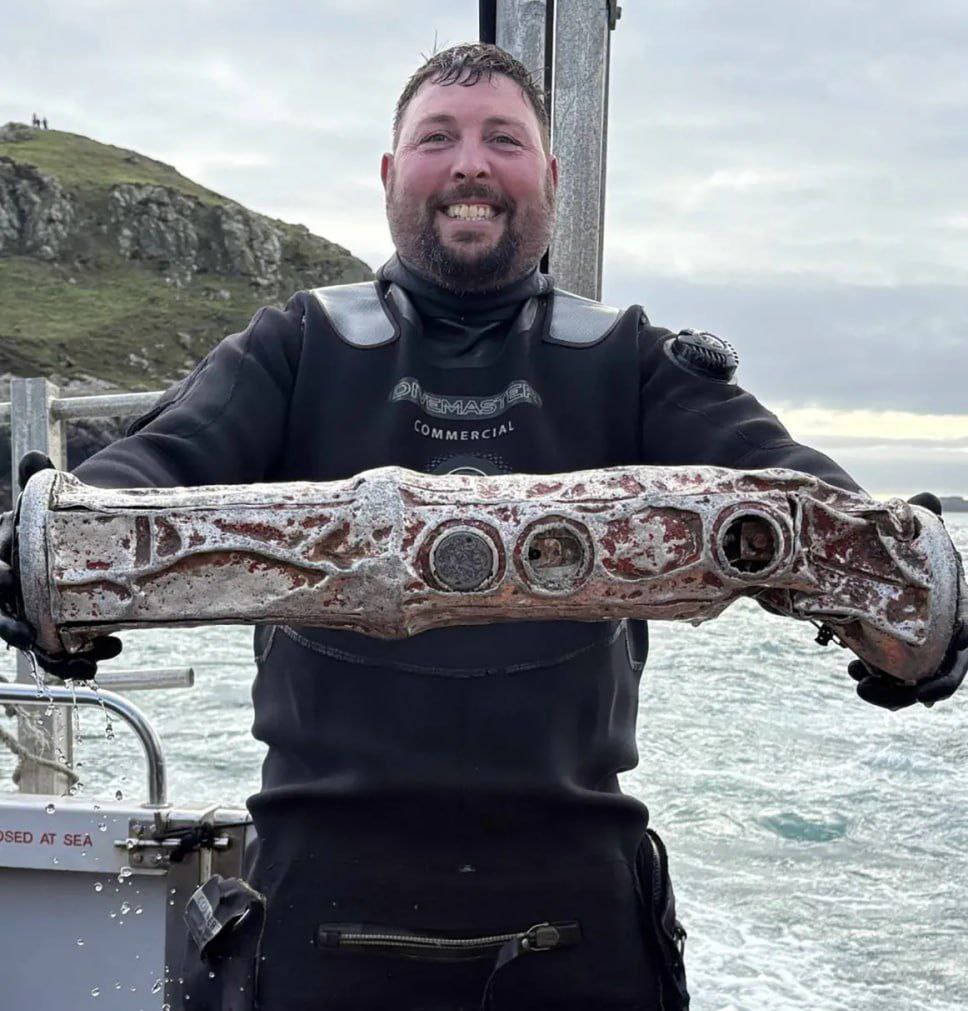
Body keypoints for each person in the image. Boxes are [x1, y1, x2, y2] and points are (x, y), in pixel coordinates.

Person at [1, 43, 966, 1011]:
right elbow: (150, 470)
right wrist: (53, 549)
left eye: (503, 140)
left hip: (577, 909)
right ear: (391, 172)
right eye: (439, 139)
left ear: (549, 175)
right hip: (321, 904)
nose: (470, 164)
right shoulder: (295, 347)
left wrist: (914, 588)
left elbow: (798, 490)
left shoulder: (629, 359)